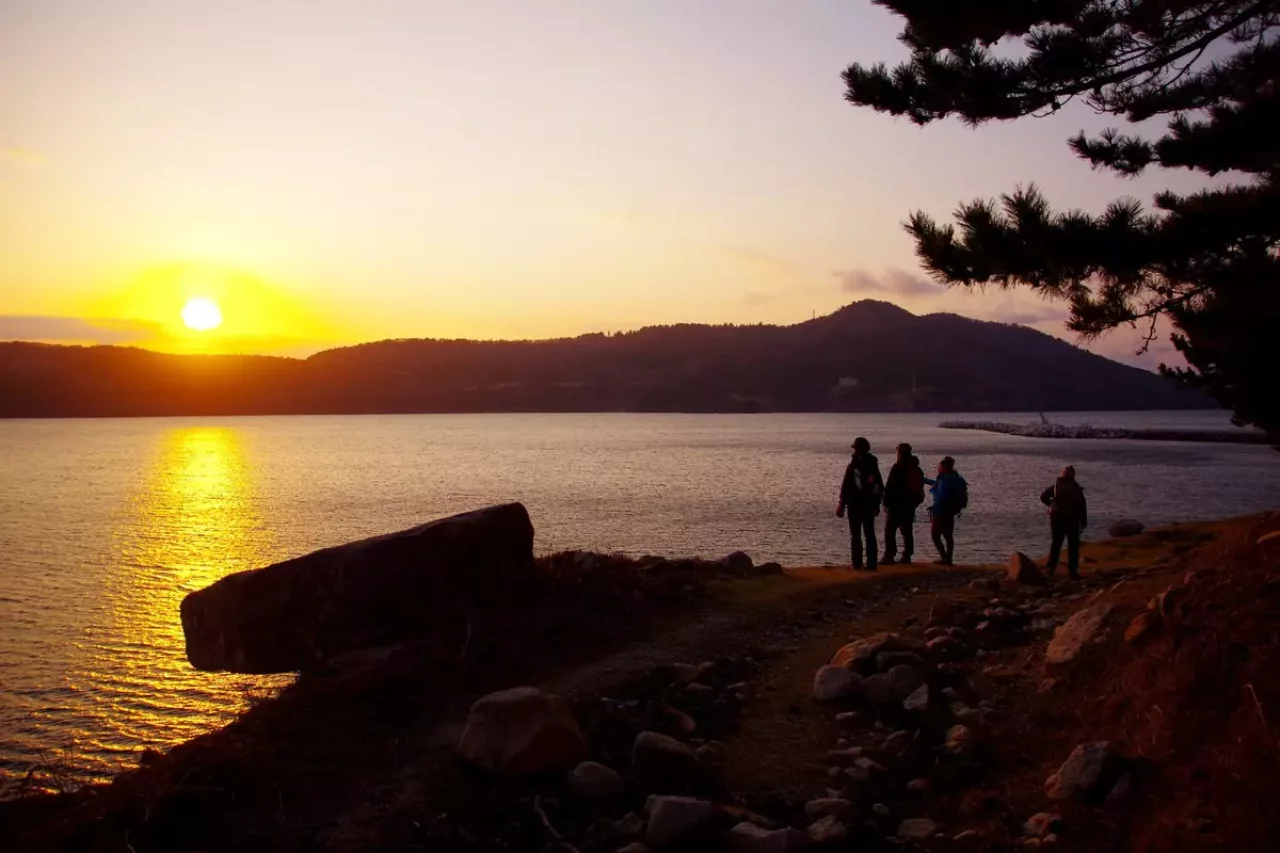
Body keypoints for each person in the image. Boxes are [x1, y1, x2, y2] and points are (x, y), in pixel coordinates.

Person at [836, 436, 884, 571]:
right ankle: (870, 564)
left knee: (858, 534)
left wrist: (842, 503)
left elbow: (846, 486)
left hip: (856, 504)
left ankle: (857, 564)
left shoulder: (854, 465)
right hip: (867, 504)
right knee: (868, 533)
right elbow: (878, 486)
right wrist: (877, 503)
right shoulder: (872, 465)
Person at [1040, 465, 1088, 578]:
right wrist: (1083, 521)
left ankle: (1050, 569)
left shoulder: (1056, 487)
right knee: (1073, 546)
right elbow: (1082, 506)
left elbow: (1043, 496)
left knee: (1056, 544)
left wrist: (1051, 505)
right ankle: (1072, 571)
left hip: (1057, 518)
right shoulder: (1076, 489)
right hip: (1072, 519)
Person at [882, 444, 925, 564]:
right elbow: (919, 487)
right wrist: (915, 502)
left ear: (900, 453)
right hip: (910, 505)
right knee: (907, 531)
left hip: (897, 504)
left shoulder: (898, 467)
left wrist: (886, 503)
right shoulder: (916, 468)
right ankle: (907, 555)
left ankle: (889, 555)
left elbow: (890, 486)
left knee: (890, 531)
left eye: (898, 452)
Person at [924, 456, 967, 565]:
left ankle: (945, 558)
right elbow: (941, 487)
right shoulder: (955, 477)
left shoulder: (944, 479)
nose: (938, 469)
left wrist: (933, 491)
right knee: (948, 535)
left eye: (939, 467)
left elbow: (942, 495)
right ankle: (949, 558)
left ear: (944, 467)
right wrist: (926, 481)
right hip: (951, 510)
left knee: (935, 535)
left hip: (941, 511)